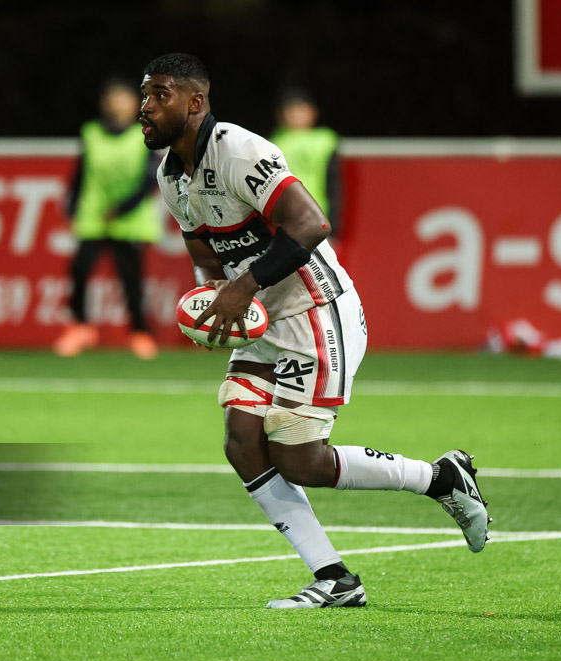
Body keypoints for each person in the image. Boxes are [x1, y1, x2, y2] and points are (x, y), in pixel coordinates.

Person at [140, 53, 490, 609]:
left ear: (195, 102)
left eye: (160, 94)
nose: (146, 107)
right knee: (242, 443)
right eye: (145, 95)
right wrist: (211, 304)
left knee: (300, 458)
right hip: (260, 318)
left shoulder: (237, 149)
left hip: (314, 310)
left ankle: (441, 479)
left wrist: (241, 288)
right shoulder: (170, 176)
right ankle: (335, 579)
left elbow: (310, 224)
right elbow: (206, 254)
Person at [53, 78, 161, 359]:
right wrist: (72, 206)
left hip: (129, 218)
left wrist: (124, 208)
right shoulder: (91, 133)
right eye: (113, 98)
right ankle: (80, 327)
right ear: (104, 103)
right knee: (79, 268)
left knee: (130, 277)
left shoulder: (145, 133)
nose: (118, 104)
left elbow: (150, 179)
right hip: (94, 215)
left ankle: (140, 333)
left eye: (123, 98)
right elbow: (81, 173)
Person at [270, 89, 341, 233]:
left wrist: (334, 221)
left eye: (300, 108)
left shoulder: (324, 141)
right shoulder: (273, 143)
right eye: (290, 109)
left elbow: (334, 183)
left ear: (313, 112)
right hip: (284, 218)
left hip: (317, 214)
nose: (295, 113)